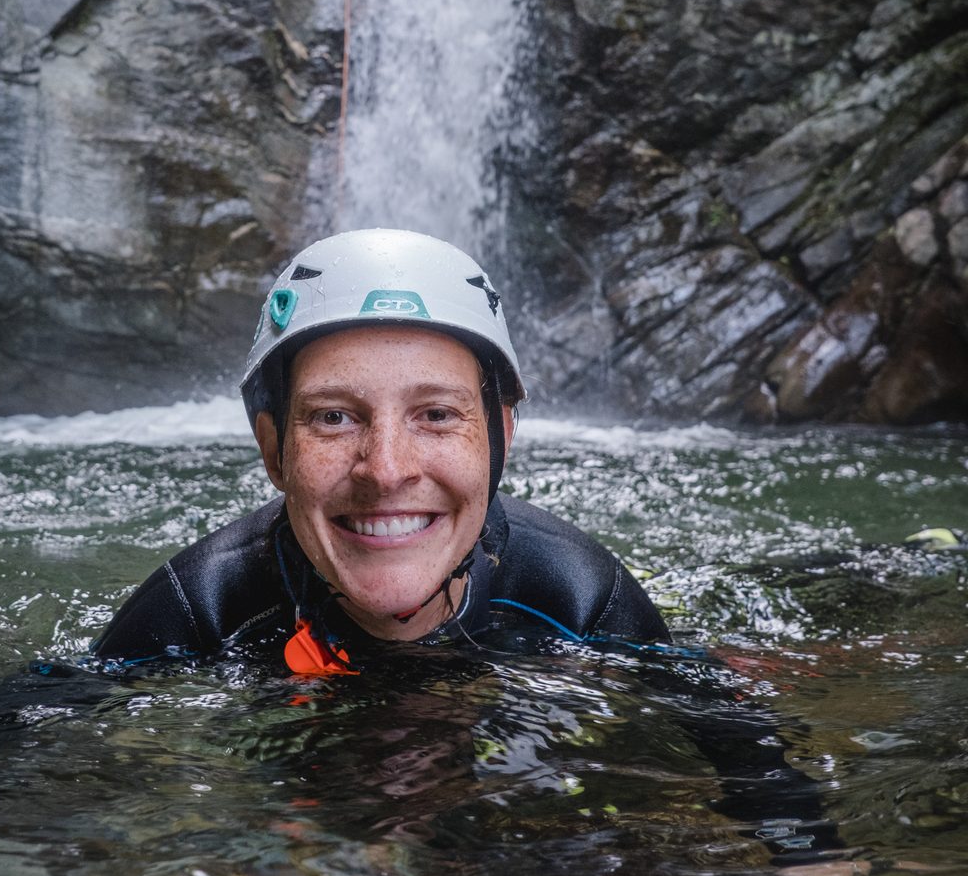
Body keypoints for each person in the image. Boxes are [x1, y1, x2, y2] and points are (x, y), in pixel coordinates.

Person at [96, 228, 670, 673]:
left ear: (500, 439)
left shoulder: (583, 601)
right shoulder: (196, 615)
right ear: (274, 450)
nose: (387, 471)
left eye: (437, 415)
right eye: (334, 417)